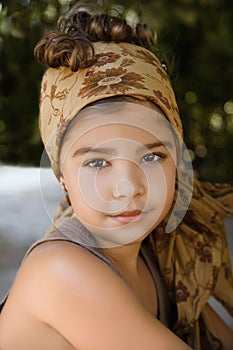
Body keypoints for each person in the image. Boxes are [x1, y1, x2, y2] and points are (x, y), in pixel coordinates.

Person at [0, 2, 233, 349]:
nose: (129, 188)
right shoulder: (61, 271)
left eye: (152, 156)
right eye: (97, 163)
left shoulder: (160, 253)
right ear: (62, 174)